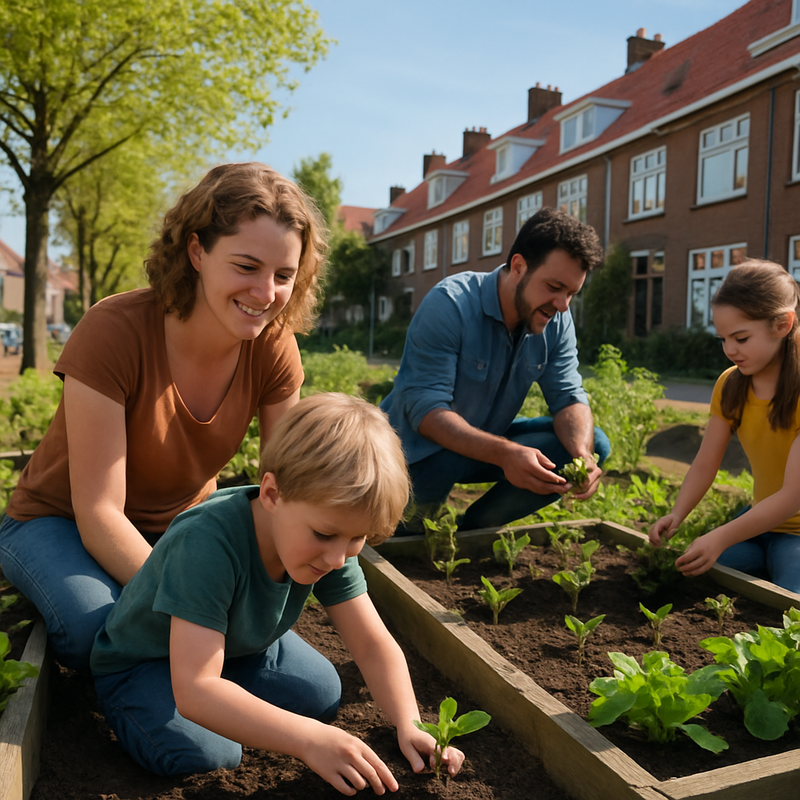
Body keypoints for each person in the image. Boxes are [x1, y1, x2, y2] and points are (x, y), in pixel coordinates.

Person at [0, 162, 325, 671]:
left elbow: (292, 486)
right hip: (58, 522)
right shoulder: (115, 331)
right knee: (94, 628)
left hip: (180, 527)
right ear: (197, 251)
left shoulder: (274, 348)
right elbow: (100, 513)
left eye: (283, 275)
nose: (265, 294)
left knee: (303, 681)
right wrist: (198, 604)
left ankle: (195, 676)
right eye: (246, 267)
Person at [90, 393, 465, 792]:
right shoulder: (208, 543)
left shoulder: (326, 536)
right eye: (325, 534)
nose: (339, 557)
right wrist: (307, 740)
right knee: (208, 752)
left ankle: (233, 694)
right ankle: (129, 703)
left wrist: (410, 723)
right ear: (271, 494)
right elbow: (196, 690)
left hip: (234, 650)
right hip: (147, 663)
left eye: (359, 537)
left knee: (320, 693)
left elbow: (372, 644)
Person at [381, 207, 610, 532]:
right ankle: (414, 521)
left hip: (485, 443)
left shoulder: (556, 319)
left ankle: (477, 527)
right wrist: (505, 453)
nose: (562, 305)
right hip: (414, 453)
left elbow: (569, 397)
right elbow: (426, 412)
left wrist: (581, 455)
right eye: (554, 287)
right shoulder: (451, 304)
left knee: (594, 444)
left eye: (572, 293)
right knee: (401, 538)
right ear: (518, 266)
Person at [649, 260, 800, 593]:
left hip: (797, 532)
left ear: (783, 324)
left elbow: (792, 497)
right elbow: (705, 463)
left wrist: (719, 536)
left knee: (790, 606)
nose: (730, 350)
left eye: (741, 338)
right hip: (759, 524)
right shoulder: (731, 384)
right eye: (723, 339)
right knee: (697, 571)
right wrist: (678, 514)